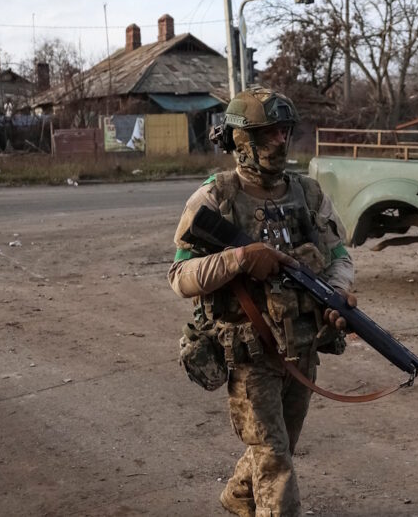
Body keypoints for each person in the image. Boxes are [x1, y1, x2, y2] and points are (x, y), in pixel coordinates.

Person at [168, 87, 356, 517]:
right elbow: (180, 277)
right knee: (273, 457)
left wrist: (339, 293)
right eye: (268, 133)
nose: (280, 142)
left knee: (279, 446)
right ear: (240, 140)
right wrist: (238, 259)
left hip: (302, 346)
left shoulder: (308, 194)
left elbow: (340, 256)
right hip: (251, 352)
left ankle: (238, 498)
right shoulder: (216, 197)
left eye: (285, 132)